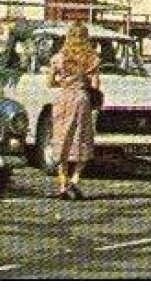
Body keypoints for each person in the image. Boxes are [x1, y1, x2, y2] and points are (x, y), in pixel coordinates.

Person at [48, 24, 101, 200]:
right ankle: (75, 178)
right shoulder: (91, 59)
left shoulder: (58, 58)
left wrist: (64, 83)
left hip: (63, 99)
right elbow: (95, 85)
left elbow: (50, 83)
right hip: (81, 99)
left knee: (61, 138)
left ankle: (62, 183)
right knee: (82, 138)